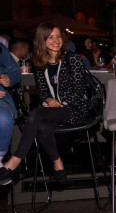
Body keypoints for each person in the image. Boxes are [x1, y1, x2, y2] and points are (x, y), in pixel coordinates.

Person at [0, 23, 93, 184]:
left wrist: (63, 103)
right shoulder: (39, 63)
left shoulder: (72, 58)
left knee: (36, 114)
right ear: (42, 40)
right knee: (41, 126)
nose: (56, 41)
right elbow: (43, 92)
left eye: (58, 37)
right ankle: (58, 163)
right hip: (53, 110)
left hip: (75, 109)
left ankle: (16, 160)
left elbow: (79, 90)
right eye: (51, 37)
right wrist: (50, 100)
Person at [0, 43, 21, 165]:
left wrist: (9, 78)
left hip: (1, 98)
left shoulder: (1, 49)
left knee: (4, 119)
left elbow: (15, 72)